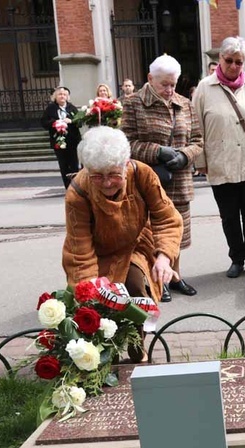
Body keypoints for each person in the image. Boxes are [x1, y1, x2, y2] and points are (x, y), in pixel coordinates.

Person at [62, 126, 183, 361]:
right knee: (101, 301)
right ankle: (107, 350)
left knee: (137, 287)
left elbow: (167, 217)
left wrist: (164, 257)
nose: (106, 183)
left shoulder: (142, 174)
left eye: (114, 175)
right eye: (97, 176)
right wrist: (89, 288)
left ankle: (137, 342)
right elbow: (80, 248)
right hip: (97, 252)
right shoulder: (78, 191)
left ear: (125, 164)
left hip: (137, 244)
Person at [194, 36, 245, 280]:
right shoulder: (204, 88)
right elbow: (196, 127)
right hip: (220, 163)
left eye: (238, 62)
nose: (233, 66)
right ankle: (236, 258)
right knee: (229, 217)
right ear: (219, 59)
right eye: (229, 60)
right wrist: (200, 162)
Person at [121, 54, 203, 300]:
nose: (169, 90)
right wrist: (157, 152)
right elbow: (126, 142)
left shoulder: (185, 104)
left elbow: (198, 140)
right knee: (153, 231)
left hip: (179, 181)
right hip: (148, 180)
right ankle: (158, 280)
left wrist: (185, 156)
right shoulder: (134, 103)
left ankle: (175, 276)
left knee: (177, 231)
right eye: (164, 84)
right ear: (150, 79)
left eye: (173, 84)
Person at [40, 86, 82, 189]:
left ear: (67, 97)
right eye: (60, 94)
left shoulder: (72, 108)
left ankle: (76, 187)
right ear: (55, 97)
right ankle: (67, 187)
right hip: (59, 141)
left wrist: (71, 121)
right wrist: (54, 123)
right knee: (63, 165)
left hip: (72, 141)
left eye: (64, 94)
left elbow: (80, 122)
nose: (62, 96)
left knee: (74, 164)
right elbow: (44, 122)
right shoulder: (51, 108)